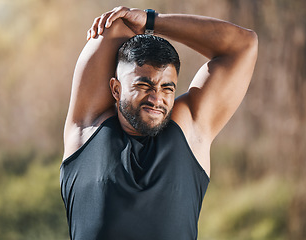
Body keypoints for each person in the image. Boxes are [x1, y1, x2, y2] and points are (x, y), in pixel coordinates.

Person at [60, 6, 257, 240]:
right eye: (144, 86)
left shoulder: (190, 128)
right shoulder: (88, 130)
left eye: (167, 88)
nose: (156, 99)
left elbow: (243, 45)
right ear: (116, 88)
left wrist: (152, 21)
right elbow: (113, 28)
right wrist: (138, 27)